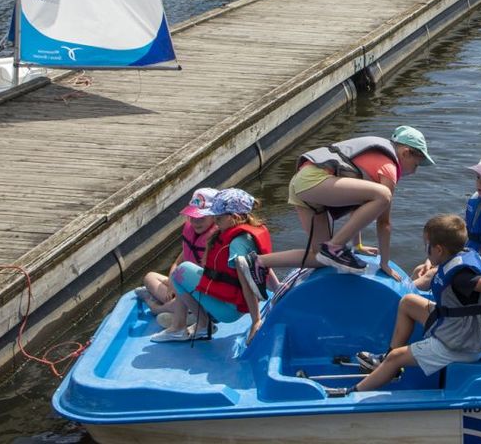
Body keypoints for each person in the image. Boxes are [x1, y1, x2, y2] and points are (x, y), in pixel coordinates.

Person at [328, 214, 481, 396]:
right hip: (457, 325)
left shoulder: (463, 277)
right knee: (408, 303)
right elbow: (444, 275)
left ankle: (351, 393)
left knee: (396, 358)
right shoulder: (458, 255)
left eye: (426, 246)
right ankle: (387, 361)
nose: (425, 250)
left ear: (438, 249)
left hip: (462, 344)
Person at [253, 126, 434, 279]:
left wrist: (357, 246)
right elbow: (384, 222)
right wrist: (384, 263)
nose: (415, 171)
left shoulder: (376, 163)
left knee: (320, 258)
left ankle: (259, 262)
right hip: (313, 182)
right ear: (405, 152)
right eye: (416, 164)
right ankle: (335, 246)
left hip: (301, 186)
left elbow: (359, 209)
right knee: (383, 195)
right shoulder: (388, 168)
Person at [152, 188, 275, 343]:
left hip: (229, 309)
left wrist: (256, 320)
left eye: (218, 219)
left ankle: (181, 327)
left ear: (234, 217)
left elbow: (246, 283)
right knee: (183, 270)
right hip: (233, 304)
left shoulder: (236, 244)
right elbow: (264, 267)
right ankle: (201, 325)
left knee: (180, 272)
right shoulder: (248, 235)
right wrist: (277, 289)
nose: (215, 223)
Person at [414, 152, 481, 280]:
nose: (480, 183)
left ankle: (405, 298)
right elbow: (459, 237)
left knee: (429, 277)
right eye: (478, 177)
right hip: (467, 261)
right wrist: (433, 259)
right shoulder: (475, 200)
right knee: (421, 269)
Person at [136, 187, 218, 321]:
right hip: (182, 285)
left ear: (215, 216)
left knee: (179, 303)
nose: (196, 222)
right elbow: (177, 263)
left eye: (201, 218)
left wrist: (178, 289)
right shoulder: (192, 235)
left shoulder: (215, 240)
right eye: (193, 217)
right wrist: (172, 286)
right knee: (149, 277)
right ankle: (179, 310)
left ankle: (157, 308)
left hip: (200, 293)